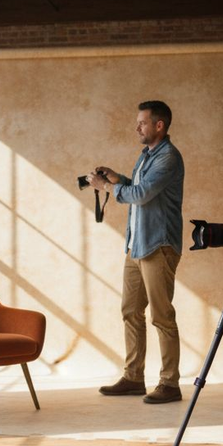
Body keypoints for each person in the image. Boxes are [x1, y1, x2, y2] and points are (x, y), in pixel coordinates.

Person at [87, 100, 185, 404]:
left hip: (158, 246)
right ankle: (133, 377)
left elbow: (141, 196)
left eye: (142, 122)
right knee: (130, 311)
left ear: (159, 125)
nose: (137, 127)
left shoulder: (168, 157)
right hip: (137, 246)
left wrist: (106, 187)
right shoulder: (146, 156)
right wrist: (118, 178)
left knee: (162, 316)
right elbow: (138, 189)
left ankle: (170, 384)